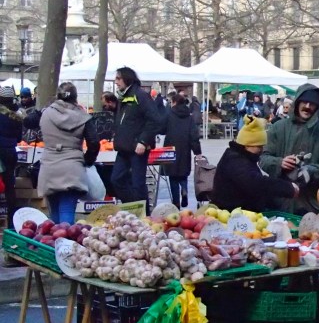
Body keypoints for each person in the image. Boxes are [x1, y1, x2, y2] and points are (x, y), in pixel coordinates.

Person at [260, 84, 319, 214]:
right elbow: (263, 158)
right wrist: (280, 163)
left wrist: (311, 171)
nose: (307, 106)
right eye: (304, 102)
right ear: (297, 102)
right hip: (277, 202)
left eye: (312, 103)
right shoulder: (278, 128)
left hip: (308, 206)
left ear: (317, 107)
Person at [37, 83, 100, 223]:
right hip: (72, 167)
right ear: (75, 97)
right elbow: (94, 142)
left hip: (49, 165)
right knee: (67, 209)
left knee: (53, 210)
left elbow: (29, 122)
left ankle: (53, 242)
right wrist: (88, 160)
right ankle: (66, 242)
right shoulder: (83, 117)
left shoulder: (46, 113)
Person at [212, 117, 299, 212]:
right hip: (232, 216)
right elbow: (257, 183)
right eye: (259, 146)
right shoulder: (234, 160)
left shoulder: (242, 156)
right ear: (247, 144)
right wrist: (288, 188)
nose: (261, 150)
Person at [111, 67, 163, 211]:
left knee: (138, 184)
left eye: (118, 79)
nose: (116, 82)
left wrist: (143, 141)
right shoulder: (123, 97)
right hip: (123, 148)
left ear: (127, 79)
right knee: (116, 179)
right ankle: (133, 206)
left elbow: (155, 120)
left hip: (137, 148)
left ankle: (143, 214)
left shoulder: (140, 96)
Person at [162, 92, 202, 209]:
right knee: (183, 173)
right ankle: (184, 190)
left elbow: (162, 129)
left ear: (174, 102)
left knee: (172, 175)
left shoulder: (169, 115)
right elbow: (194, 135)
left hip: (170, 147)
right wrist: (197, 152)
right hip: (185, 147)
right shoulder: (189, 117)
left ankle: (176, 203)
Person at [0, 87, 22, 222]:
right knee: (9, 187)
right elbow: (19, 138)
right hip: (11, 152)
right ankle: (12, 223)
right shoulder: (17, 116)